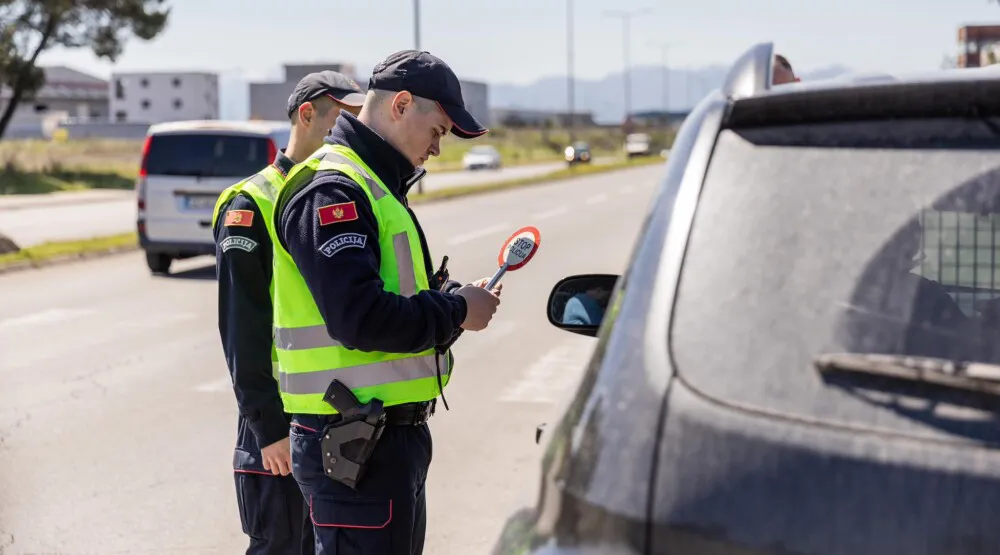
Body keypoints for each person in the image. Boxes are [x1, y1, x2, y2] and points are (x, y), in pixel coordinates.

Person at [268, 50, 502, 555]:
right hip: (355, 443)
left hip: (378, 441)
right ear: (400, 104)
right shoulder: (335, 191)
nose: (438, 149)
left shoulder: (374, 186)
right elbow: (361, 318)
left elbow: (387, 304)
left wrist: (451, 301)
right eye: (438, 131)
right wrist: (457, 311)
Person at [212, 70, 366, 555]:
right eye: (345, 118)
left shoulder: (341, 195)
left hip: (332, 422)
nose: (355, 131)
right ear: (307, 115)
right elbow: (243, 329)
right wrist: (269, 429)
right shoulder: (252, 202)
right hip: (278, 429)